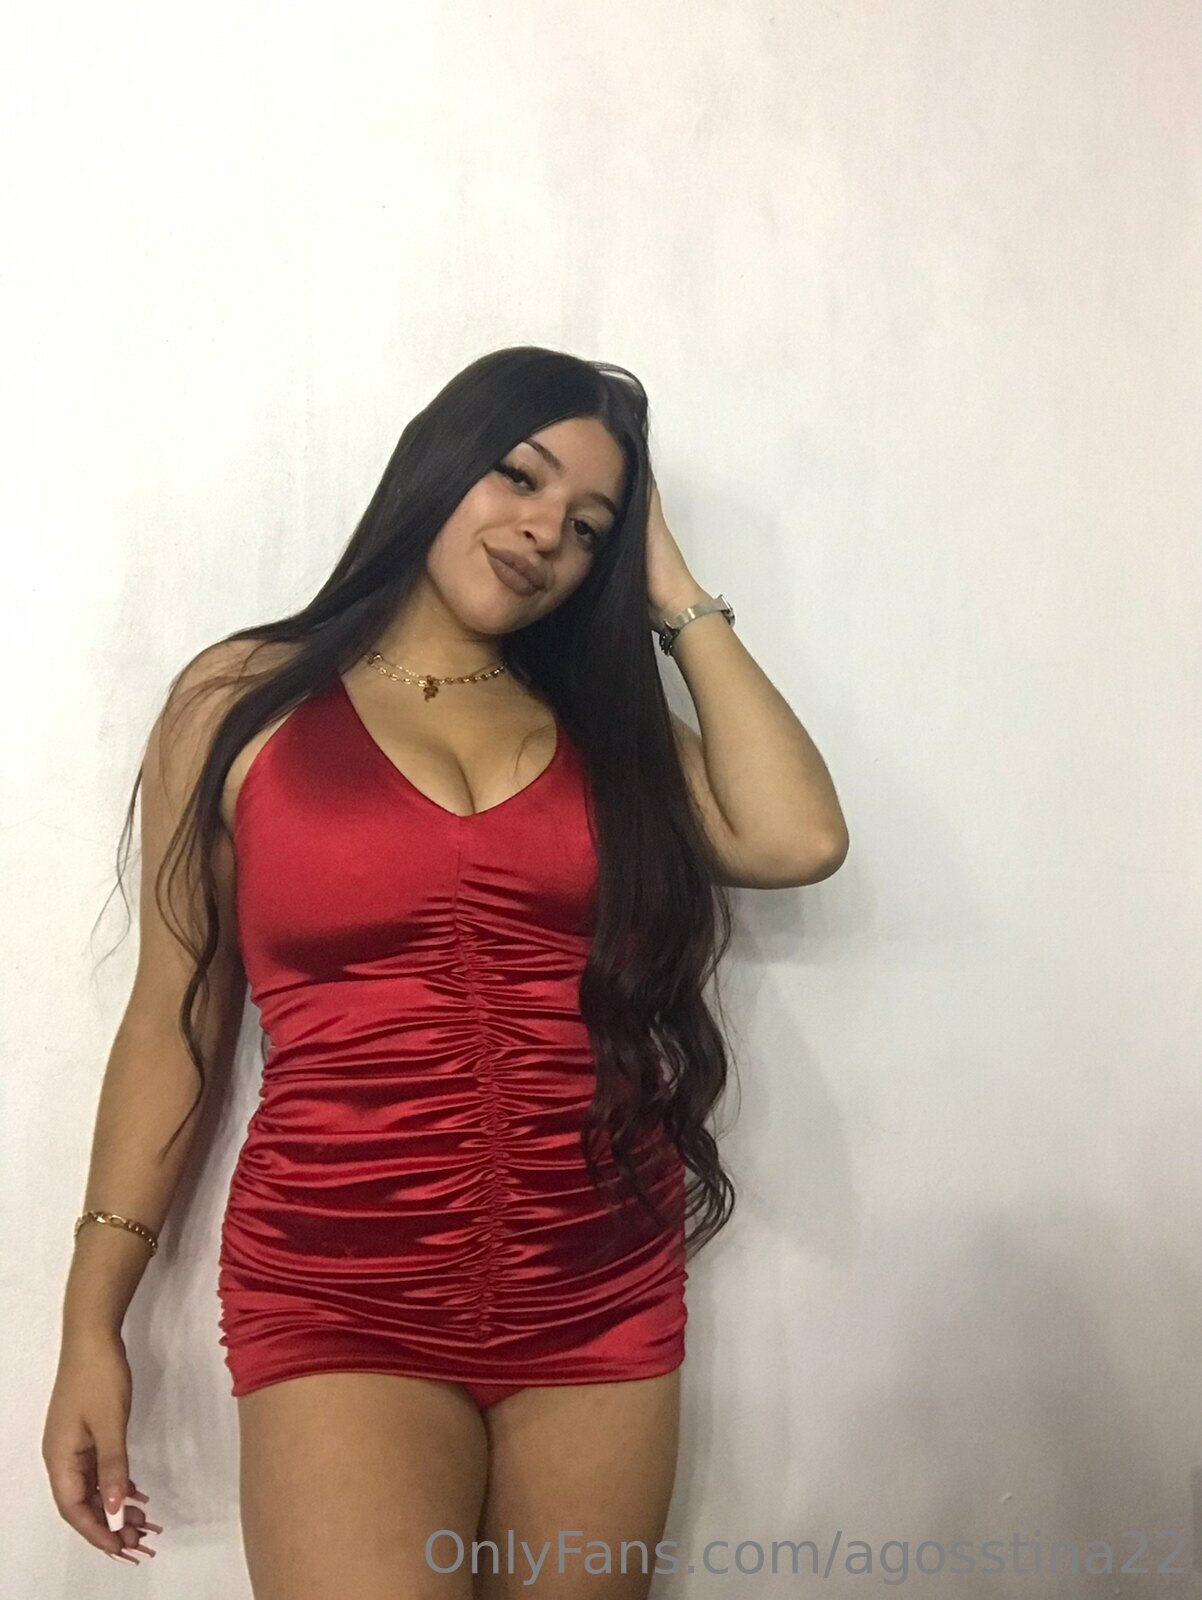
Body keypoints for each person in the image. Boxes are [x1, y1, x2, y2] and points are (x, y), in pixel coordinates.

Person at [42, 345, 849, 1598]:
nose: (544, 531)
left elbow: (796, 837)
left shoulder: (607, 732)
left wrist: (671, 586)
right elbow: (172, 1022)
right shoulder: (240, 700)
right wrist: (93, 1321)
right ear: (438, 460)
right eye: (518, 476)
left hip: (598, 1281)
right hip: (337, 1283)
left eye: (589, 525)